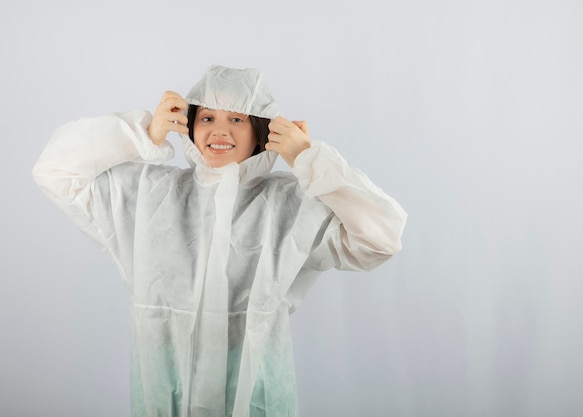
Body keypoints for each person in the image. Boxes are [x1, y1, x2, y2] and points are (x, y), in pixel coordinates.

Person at [33, 65, 407, 417]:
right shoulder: (150, 195)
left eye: (237, 119)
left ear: (262, 131)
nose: (219, 131)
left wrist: (309, 160)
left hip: (253, 393)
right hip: (167, 390)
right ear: (190, 126)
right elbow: (54, 171)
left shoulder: (289, 205)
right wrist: (143, 133)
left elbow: (381, 238)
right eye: (207, 118)